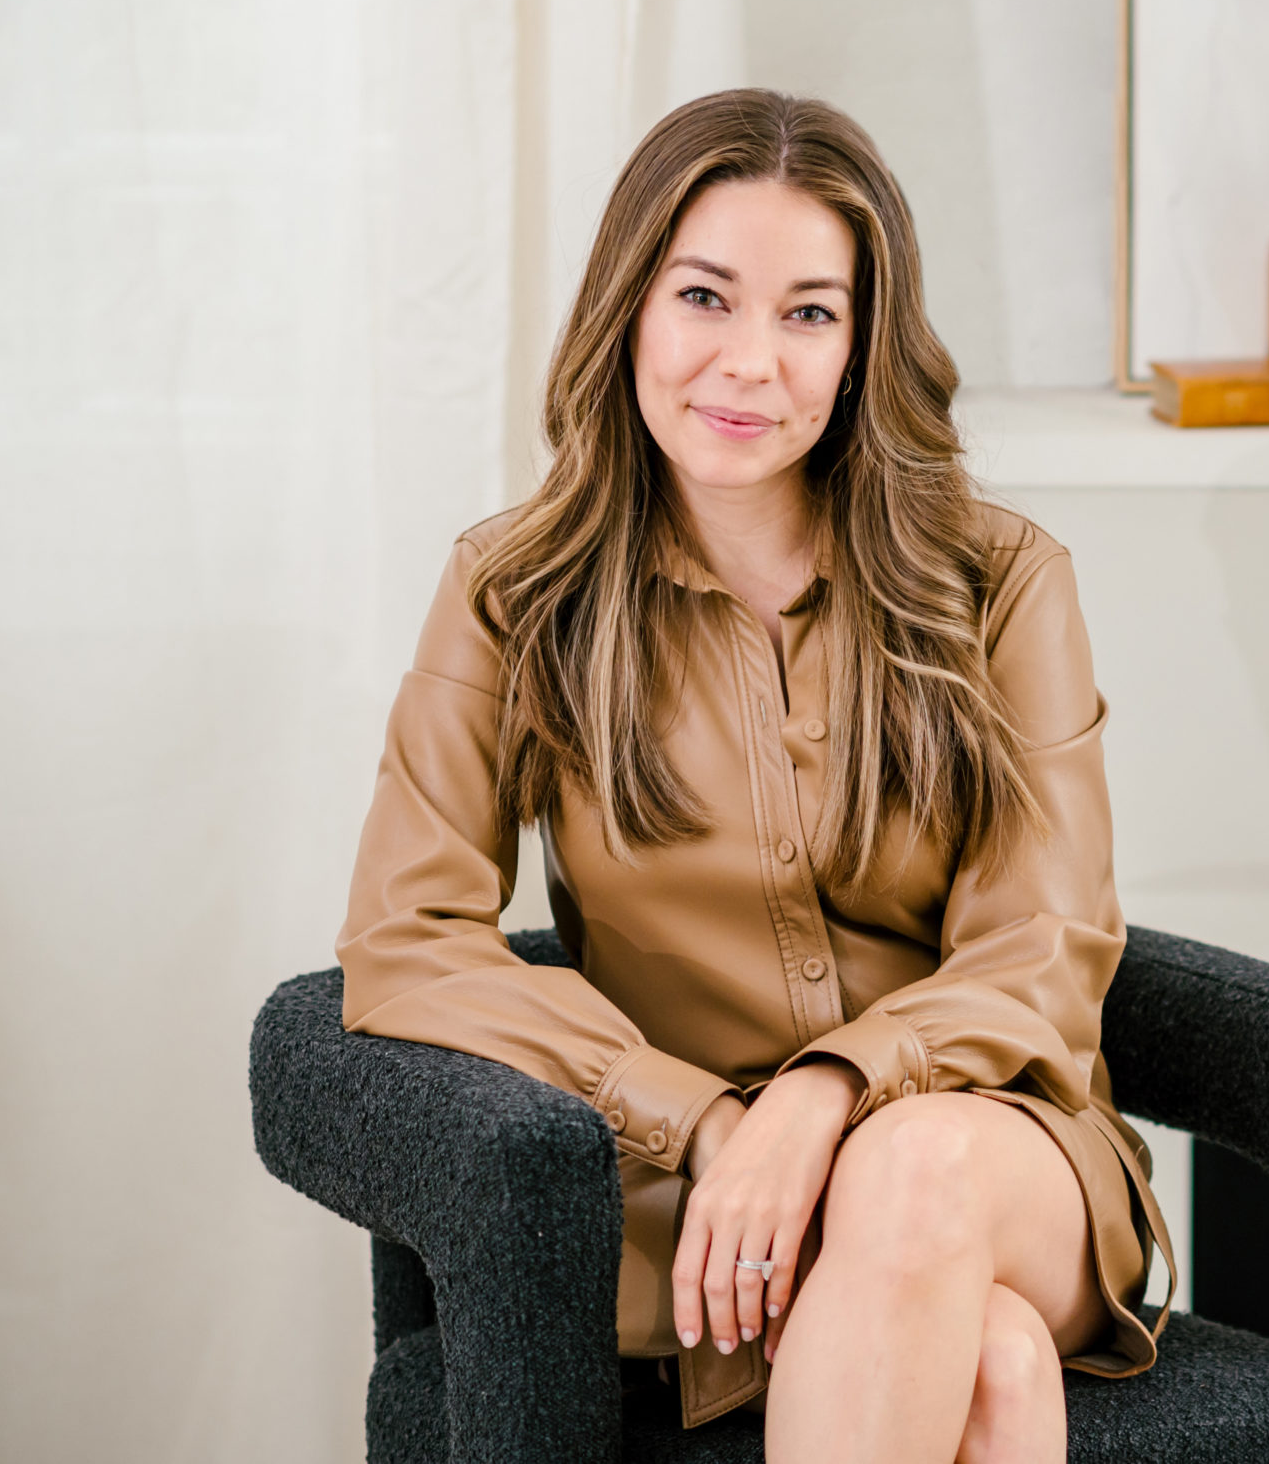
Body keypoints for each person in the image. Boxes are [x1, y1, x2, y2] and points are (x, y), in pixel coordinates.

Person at [337, 89, 1167, 1461]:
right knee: (995, 1377)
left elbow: (1044, 945)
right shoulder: (514, 592)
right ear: (630, 309)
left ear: (861, 346)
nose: (749, 364)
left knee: (915, 1168)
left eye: (809, 314)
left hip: (1001, 1156)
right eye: (707, 297)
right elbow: (406, 944)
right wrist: (704, 1121)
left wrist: (825, 1095)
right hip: (699, 1192)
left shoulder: (1003, 581)